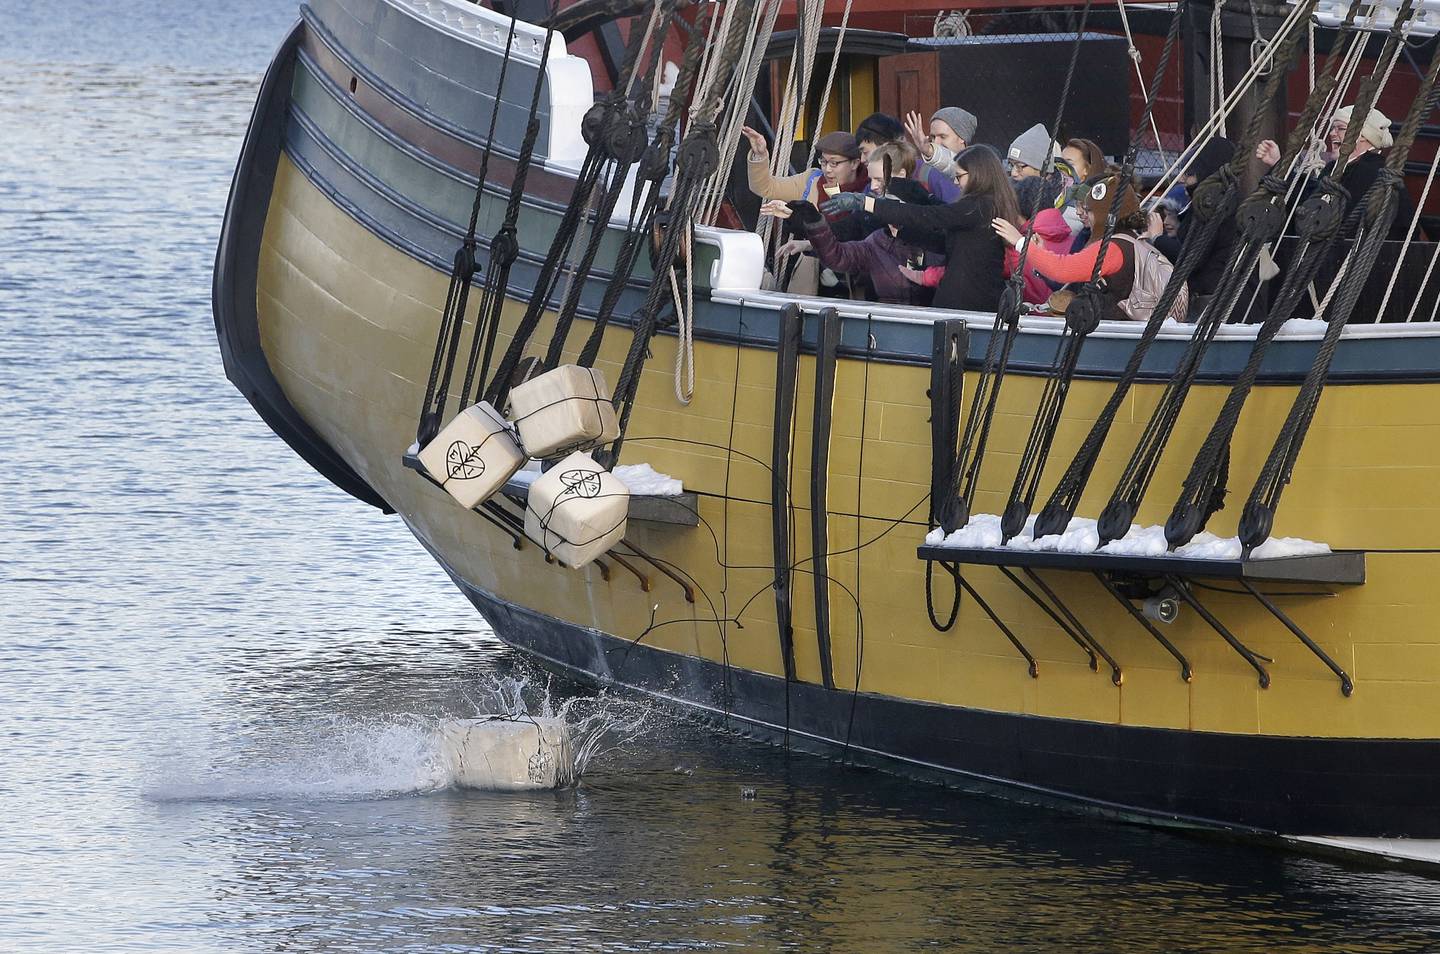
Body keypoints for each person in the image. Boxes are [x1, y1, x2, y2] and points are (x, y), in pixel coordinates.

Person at [823, 144, 1020, 312]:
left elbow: (928, 216)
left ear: (978, 175)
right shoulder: (984, 207)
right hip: (966, 302)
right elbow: (946, 243)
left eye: (959, 176)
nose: (954, 181)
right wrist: (902, 232)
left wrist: (866, 203)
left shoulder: (980, 206)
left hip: (970, 304)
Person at [763, 142, 930, 305]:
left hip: (927, 313)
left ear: (900, 175)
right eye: (871, 179)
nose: (873, 186)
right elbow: (839, 237)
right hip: (880, 308)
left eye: (879, 179)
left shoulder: (930, 216)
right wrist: (798, 217)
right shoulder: (871, 224)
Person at [992, 168, 1154, 321]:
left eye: (1090, 210)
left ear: (1104, 215)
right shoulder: (1130, 241)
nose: (1084, 215)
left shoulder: (1113, 249)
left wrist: (1020, 242)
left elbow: (1063, 270)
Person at [1254, 105, 1414, 241]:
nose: (1332, 133)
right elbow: (1310, 198)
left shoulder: (1371, 172)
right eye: (1332, 128)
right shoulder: (1335, 169)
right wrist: (1279, 164)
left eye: (1341, 128)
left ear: (1364, 137)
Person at [1151, 137, 1238, 297]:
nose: (1182, 179)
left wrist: (1156, 238)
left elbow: (1191, 258)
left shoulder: (1211, 205)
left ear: (1205, 172)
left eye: (1190, 172)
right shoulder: (1222, 201)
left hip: (1209, 297)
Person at [741, 126, 870, 213]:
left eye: (834, 163)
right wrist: (760, 155)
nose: (827, 169)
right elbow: (765, 187)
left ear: (854, 163)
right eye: (824, 162)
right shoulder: (811, 180)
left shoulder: (871, 188)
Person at [859, 111, 960, 202]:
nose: (862, 159)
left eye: (866, 152)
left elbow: (954, 212)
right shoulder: (872, 185)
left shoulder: (928, 174)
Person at [1007, 123, 1068, 219]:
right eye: (1011, 165)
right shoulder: (1005, 194)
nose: (1013, 173)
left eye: (1020, 166)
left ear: (1043, 170)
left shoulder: (1070, 209)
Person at [904, 106, 978, 182]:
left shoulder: (979, 168)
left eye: (943, 137)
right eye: (933, 137)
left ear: (962, 138)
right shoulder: (921, 169)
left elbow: (955, 165)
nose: (935, 142)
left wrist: (930, 151)